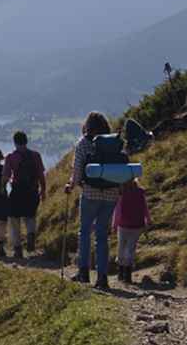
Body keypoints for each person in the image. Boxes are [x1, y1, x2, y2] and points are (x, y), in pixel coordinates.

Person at [65, 111, 119, 289]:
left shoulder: (84, 143)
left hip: (90, 193)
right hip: (111, 194)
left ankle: (83, 272)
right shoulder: (114, 142)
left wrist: (71, 185)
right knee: (102, 235)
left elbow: (78, 171)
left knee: (85, 232)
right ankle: (102, 277)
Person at [3, 131, 46, 259]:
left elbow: (5, 176)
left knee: (13, 218)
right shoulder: (36, 155)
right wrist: (43, 190)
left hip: (17, 191)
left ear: (15, 142)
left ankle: (17, 249)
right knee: (30, 216)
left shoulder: (11, 157)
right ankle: (31, 234)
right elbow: (41, 175)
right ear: (26, 141)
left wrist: (2, 188)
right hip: (32, 191)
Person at [112, 178, 151, 284]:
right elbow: (145, 208)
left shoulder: (121, 193)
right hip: (137, 225)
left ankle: (121, 273)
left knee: (121, 247)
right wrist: (148, 220)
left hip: (123, 225)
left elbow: (118, 210)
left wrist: (114, 225)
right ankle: (128, 276)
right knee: (130, 249)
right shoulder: (140, 192)